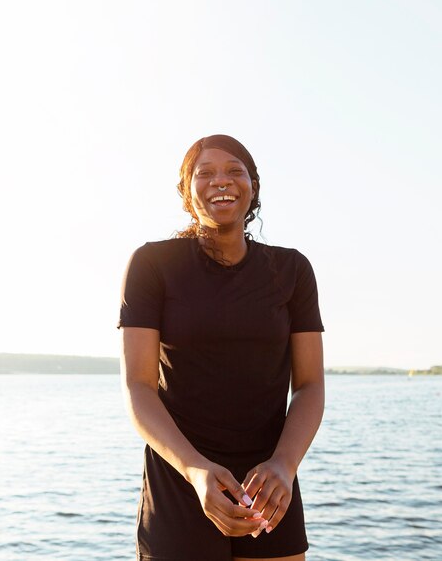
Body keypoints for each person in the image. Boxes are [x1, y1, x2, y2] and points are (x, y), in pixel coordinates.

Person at [118, 134, 324, 561]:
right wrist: (196, 471)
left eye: (234, 170)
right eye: (205, 173)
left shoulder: (292, 270)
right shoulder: (152, 265)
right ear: (186, 191)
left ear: (253, 186)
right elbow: (138, 386)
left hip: (269, 490)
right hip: (179, 482)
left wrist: (284, 466)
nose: (221, 181)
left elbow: (309, 385)